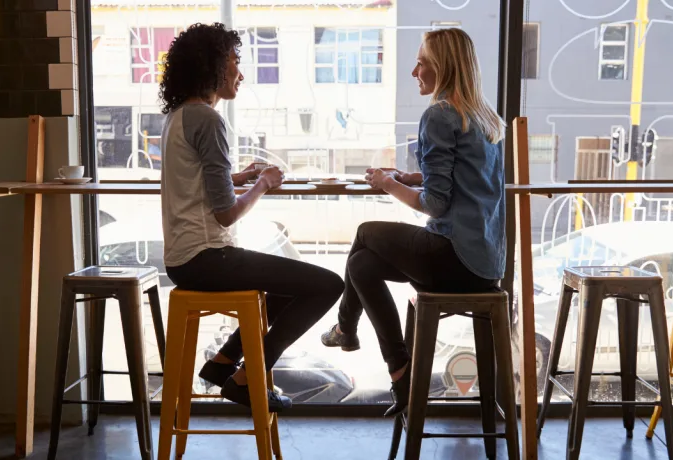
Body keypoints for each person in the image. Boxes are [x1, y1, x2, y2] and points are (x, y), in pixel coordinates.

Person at [321, 28, 506, 417]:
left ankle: (346, 329)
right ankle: (399, 370)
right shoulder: (484, 116)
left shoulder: (440, 115)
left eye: (422, 62)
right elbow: (466, 181)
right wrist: (412, 177)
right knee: (361, 264)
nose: (414, 71)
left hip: (453, 256)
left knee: (365, 233)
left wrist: (388, 183)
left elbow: (436, 206)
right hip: (485, 265)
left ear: (443, 68)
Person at [160, 23, 344, 412]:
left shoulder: (179, 116)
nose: (240, 73)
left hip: (182, 260)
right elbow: (226, 214)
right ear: (212, 66)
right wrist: (261, 183)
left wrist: (236, 176)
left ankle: (223, 362)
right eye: (234, 61)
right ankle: (247, 378)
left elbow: (195, 182)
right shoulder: (209, 121)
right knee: (327, 285)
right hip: (208, 257)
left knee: (285, 285)